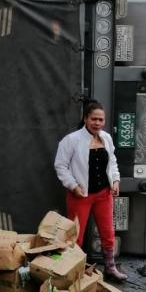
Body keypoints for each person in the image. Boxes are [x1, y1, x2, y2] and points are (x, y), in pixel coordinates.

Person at [54, 100, 127, 281]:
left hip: (104, 194)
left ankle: (110, 267)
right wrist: (73, 186)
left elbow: (112, 163)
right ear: (85, 118)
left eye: (101, 120)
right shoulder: (71, 140)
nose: (97, 123)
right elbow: (60, 166)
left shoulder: (107, 138)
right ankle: (74, 270)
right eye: (94, 119)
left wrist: (116, 180)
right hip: (81, 195)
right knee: (76, 235)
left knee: (108, 231)